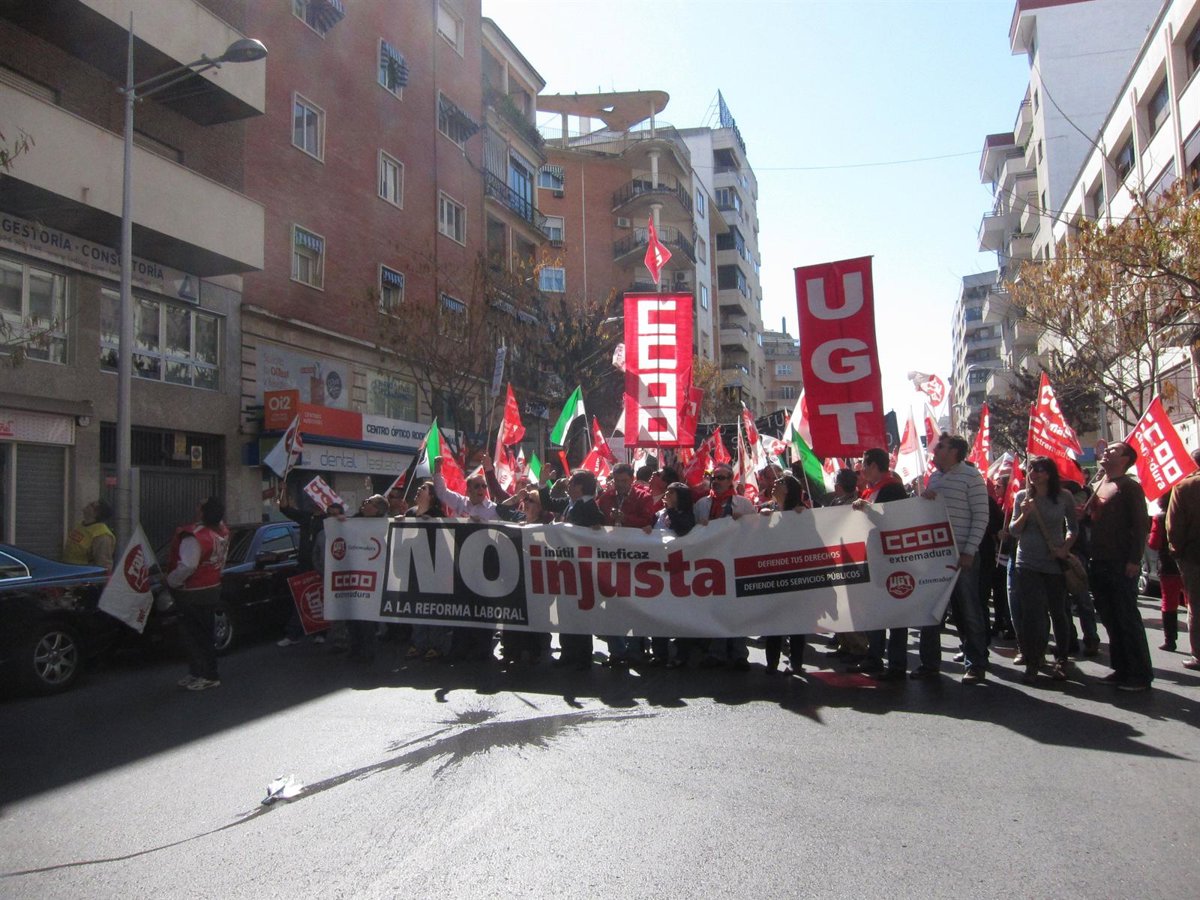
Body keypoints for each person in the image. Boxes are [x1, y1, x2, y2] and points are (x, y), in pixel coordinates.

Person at [915, 433, 991, 683]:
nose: (935, 450)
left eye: (941, 446)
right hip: (936, 556)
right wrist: (925, 499)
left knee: (968, 611)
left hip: (962, 557)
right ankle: (929, 663)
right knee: (930, 611)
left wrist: (969, 551)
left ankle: (976, 664)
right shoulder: (935, 478)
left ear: (954, 452)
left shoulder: (972, 477)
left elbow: (981, 516)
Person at [1084, 442, 1152, 691]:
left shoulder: (1130, 487)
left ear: (1125, 459)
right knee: (1110, 618)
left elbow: (1141, 525)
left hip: (1120, 562)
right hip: (1099, 560)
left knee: (1126, 618)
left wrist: (1134, 559)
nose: (1106, 452)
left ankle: (1139, 674)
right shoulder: (1099, 484)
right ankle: (1121, 668)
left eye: (1113, 450)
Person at [1008, 457, 1078, 684]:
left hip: (1053, 561)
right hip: (1027, 562)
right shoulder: (1022, 496)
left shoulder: (1064, 497)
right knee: (1032, 613)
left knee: (1058, 611)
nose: (1033, 473)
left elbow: (1073, 527)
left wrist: (1064, 548)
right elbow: (1014, 530)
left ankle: (1061, 659)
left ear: (1049, 474)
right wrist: (1024, 514)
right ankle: (1033, 659)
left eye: (1039, 470)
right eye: (1031, 469)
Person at [851, 448, 909, 679]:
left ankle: (896, 664)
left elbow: (893, 522)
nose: (862, 470)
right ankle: (874, 657)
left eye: (864, 465)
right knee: (874, 609)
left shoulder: (892, 489)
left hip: (890, 559)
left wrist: (866, 510)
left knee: (896, 612)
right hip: (874, 558)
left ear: (874, 465)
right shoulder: (871, 491)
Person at [695, 463, 755, 670]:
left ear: (731, 480)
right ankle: (717, 652)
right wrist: (700, 526)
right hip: (712, 564)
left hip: (736, 563)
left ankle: (739, 654)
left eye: (721, 478)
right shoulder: (702, 504)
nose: (716, 481)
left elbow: (756, 530)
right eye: (714, 477)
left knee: (737, 610)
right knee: (715, 610)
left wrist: (745, 522)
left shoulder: (743, 504)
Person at [167, 497, 230, 691]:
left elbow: (188, 566)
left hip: (193, 592)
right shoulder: (221, 531)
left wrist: (171, 581)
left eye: (200, 506)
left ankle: (208, 674)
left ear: (203, 511)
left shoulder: (195, 536)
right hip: (212, 588)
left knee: (196, 636)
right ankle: (197, 671)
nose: (196, 508)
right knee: (201, 634)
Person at [598, 462, 657, 666]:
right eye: (617, 481)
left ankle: (636, 649)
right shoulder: (606, 497)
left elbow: (647, 521)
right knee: (611, 606)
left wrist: (625, 518)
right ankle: (616, 651)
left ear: (631, 480)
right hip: (611, 558)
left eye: (624, 481)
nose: (620, 485)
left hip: (635, 560)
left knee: (635, 606)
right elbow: (598, 516)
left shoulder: (643, 496)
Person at [552, 469, 605, 670]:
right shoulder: (571, 504)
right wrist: (543, 483)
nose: (569, 485)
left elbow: (597, 519)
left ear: (581, 486)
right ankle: (567, 652)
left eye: (572, 482)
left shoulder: (589, 505)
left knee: (579, 612)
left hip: (580, 567)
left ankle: (582, 656)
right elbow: (549, 502)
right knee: (565, 610)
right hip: (566, 565)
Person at [762, 473, 811, 675]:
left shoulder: (801, 512)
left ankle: (795, 661)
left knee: (796, 619)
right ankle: (771, 661)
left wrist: (802, 516)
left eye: (780, 482)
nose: (775, 483)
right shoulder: (767, 510)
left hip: (795, 574)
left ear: (790, 489)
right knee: (773, 618)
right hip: (773, 573)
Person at [402, 481, 454, 662]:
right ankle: (418, 643)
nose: (418, 490)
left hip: (434, 568)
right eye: (419, 488)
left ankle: (436, 645)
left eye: (423, 488)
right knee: (417, 607)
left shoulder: (438, 515)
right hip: (413, 567)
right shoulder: (409, 514)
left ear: (431, 495)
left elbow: (447, 539)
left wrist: (434, 524)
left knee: (433, 608)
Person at [650, 481, 697, 668]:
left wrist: (671, 510)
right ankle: (659, 653)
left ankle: (681, 654)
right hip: (658, 571)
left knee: (680, 615)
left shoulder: (687, 515)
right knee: (657, 614)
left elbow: (682, 530)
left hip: (680, 572)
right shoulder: (659, 514)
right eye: (666, 492)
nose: (666, 495)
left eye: (671, 493)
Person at [1166, 450, 1200, 670]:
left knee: (1196, 606)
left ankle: (1198, 655)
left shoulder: (1185, 487)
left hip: (1193, 555)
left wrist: (1176, 550)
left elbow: (1174, 526)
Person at [1151, 489, 1187, 653]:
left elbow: (1154, 544)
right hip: (1187, 562)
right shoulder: (1187, 513)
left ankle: (1170, 640)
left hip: (1168, 565)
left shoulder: (1159, 517)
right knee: (1192, 603)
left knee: (1169, 602)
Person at [63, 500, 116, 573]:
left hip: (82, 574)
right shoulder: (81, 525)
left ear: (96, 513)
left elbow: (103, 564)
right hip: (69, 570)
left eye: (92, 505)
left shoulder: (102, 535)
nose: (88, 505)